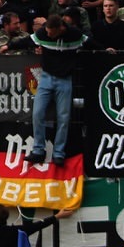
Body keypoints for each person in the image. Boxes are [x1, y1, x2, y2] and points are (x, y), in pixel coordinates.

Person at [27, 14, 86, 167]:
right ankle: (38, 150)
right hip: (46, 77)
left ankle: (59, 153)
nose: (47, 34)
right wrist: (8, 45)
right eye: (46, 31)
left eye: (50, 32)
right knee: (37, 113)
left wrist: (106, 49)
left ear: (60, 29)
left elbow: (89, 41)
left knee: (64, 118)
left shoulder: (74, 34)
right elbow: (26, 40)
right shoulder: (43, 33)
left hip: (65, 79)